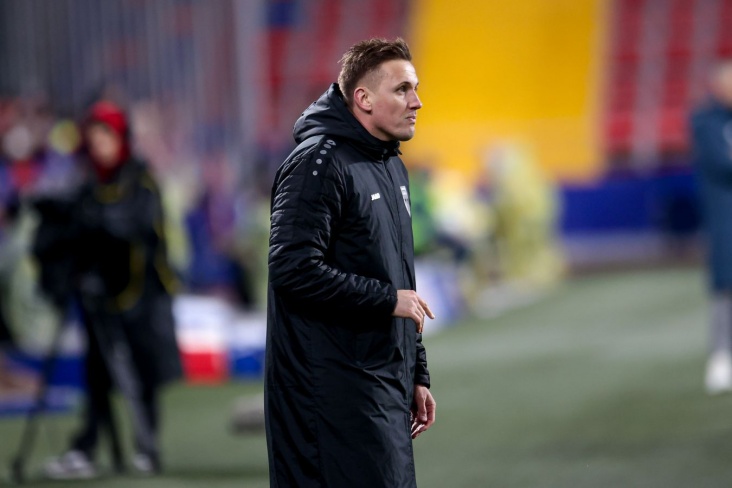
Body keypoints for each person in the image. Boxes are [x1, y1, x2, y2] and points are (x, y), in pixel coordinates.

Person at [265, 38, 436, 487]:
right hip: (331, 392)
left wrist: (415, 373)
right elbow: (292, 269)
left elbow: (398, 278)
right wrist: (386, 300)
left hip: (381, 383)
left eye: (415, 89)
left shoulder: (390, 164)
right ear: (363, 98)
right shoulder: (318, 163)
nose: (417, 102)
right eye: (402, 90)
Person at [40, 100, 182, 478]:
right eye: (94, 136)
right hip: (100, 294)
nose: (99, 143)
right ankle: (87, 447)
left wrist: (98, 221)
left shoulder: (140, 180)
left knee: (142, 375)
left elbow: (137, 226)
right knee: (97, 374)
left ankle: (146, 449)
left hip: (141, 295)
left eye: (106, 135)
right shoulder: (89, 183)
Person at [690, 60, 732, 395]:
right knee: (726, 284)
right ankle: (721, 357)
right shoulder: (706, 120)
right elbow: (721, 163)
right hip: (725, 214)